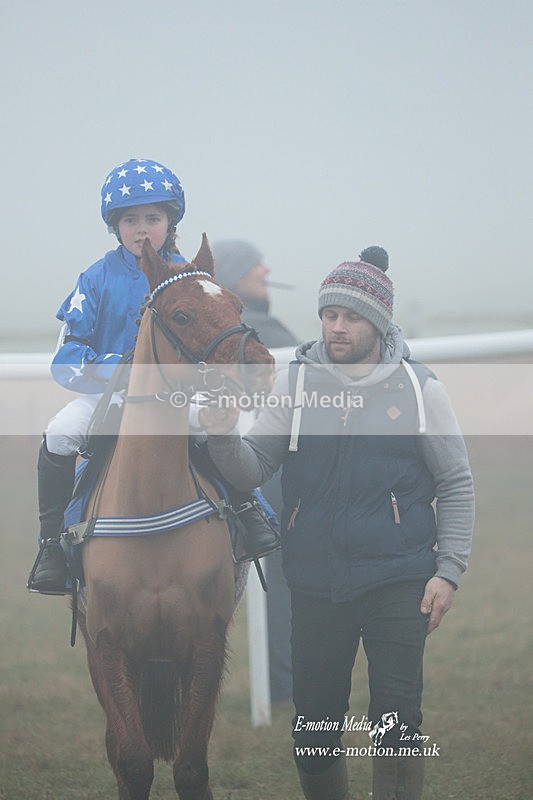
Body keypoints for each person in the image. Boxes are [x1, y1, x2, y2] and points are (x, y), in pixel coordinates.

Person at [200, 254, 475, 800]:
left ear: (378, 321)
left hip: (401, 579)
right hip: (315, 580)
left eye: (350, 317)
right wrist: (223, 437)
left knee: (396, 724)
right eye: (328, 315)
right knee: (315, 727)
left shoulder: (420, 389)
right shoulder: (298, 384)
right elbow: (254, 468)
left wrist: (449, 571)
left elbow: (457, 482)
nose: (336, 327)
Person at [28, 159, 277, 596]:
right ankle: (51, 546)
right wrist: (121, 372)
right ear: (116, 226)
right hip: (107, 400)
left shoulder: (192, 277)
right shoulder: (94, 279)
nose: (142, 229)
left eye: (153, 218)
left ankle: (248, 512)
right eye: (130, 219)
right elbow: (65, 360)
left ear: (170, 222)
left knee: (216, 425)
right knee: (59, 432)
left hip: (178, 398)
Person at [212, 238, 299, 703]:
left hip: (267, 471)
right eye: (253, 265)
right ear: (231, 277)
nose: (266, 270)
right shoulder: (251, 332)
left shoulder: (266, 324)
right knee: (281, 580)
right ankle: (281, 687)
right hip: (264, 478)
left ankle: (283, 684)